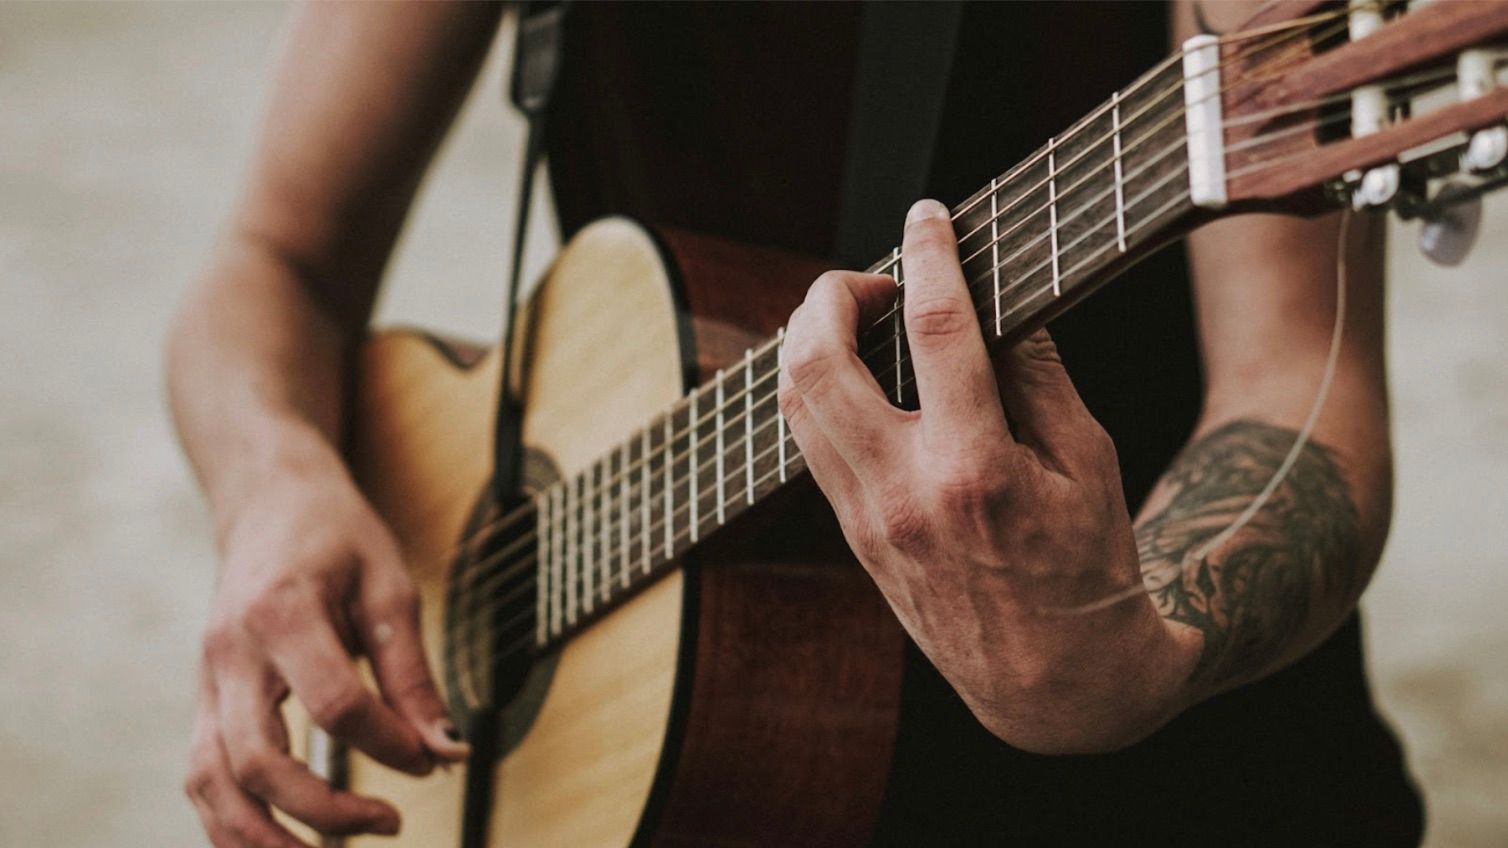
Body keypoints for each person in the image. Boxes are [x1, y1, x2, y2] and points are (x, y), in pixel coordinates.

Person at [168, 2, 1424, 846]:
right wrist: (270, 480)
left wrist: (1139, 649)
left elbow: (1298, 393)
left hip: (1173, 784)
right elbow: (272, 261)